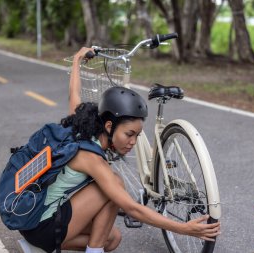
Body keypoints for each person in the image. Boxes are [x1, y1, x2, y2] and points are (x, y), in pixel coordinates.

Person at [19, 48, 221, 253]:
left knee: (112, 239)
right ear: (109, 127)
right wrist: (184, 229)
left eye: (137, 135)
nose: (133, 141)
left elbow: (74, 94)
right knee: (114, 185)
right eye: (129, 134)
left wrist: (77, 61)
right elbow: (132, 208)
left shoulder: (80, 126)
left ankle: (38, 247)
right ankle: (46, 243)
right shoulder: (90, 157)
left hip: (34, 218)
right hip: (41, 224)